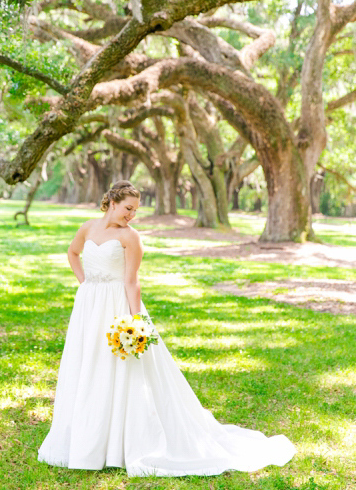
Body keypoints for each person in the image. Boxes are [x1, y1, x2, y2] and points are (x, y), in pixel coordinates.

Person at [38, 180, 296, 477]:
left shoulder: (131, 238)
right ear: (111, 202)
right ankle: (85, 439)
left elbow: (132, 282)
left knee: (120, 369)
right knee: (89, 365)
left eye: (135, 210)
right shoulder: (87, 228)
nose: (132, 215)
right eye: (128, 208)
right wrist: (87, 285)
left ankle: (119, 443)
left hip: (118, 308)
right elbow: (73, 253)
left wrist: (135, 324)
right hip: (89, 307)